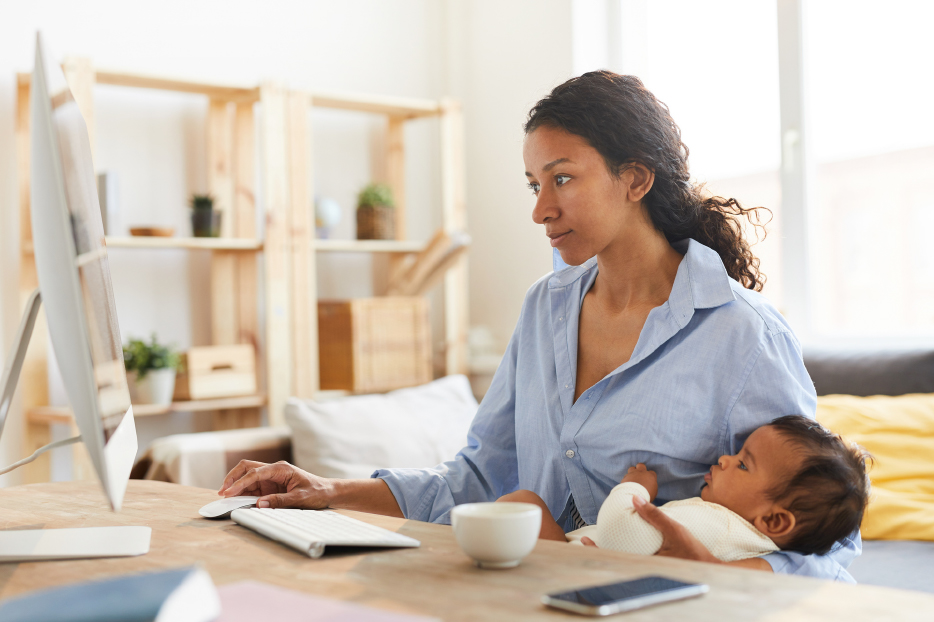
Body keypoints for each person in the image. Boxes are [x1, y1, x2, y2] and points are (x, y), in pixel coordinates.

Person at [219, 71, 861, 581]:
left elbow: (824, 539)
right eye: (533, 183)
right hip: (535, 598)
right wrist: (328, 491)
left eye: (562, 179)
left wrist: (726, 573)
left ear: (633, 179)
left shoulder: (742, 336)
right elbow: (477, 480)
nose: (540, 210)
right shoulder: (544, 308)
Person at [499, 416, 871, 565]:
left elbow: (620, 531)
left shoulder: (721, 527)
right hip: (586, 566)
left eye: (743, 464)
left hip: (573, 566)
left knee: (521, 504)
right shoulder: (737, 535)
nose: (725, 459)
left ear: (773, 519)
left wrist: (634, 489)